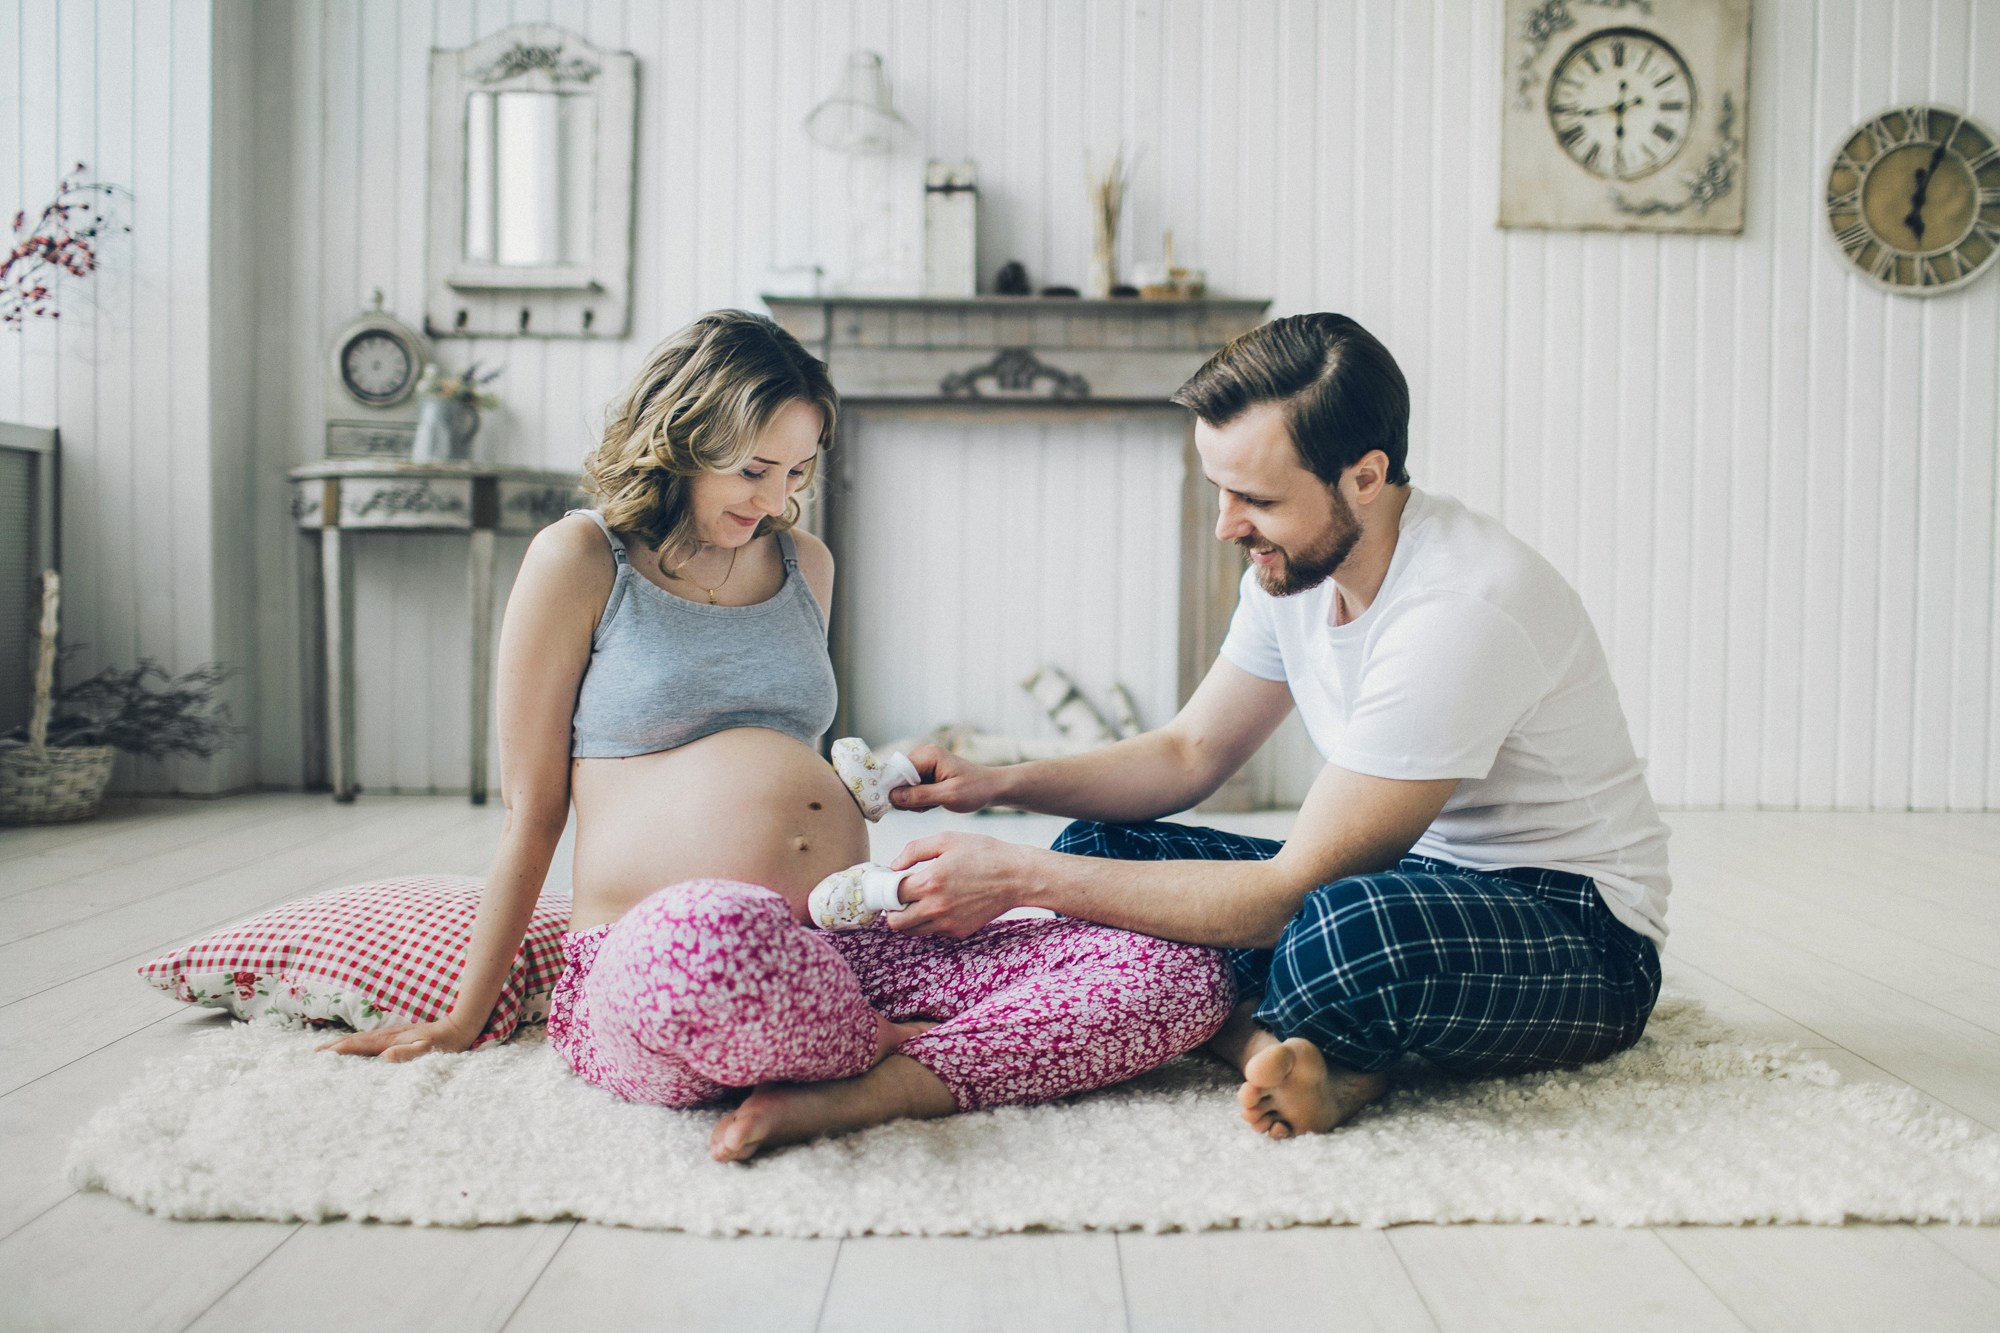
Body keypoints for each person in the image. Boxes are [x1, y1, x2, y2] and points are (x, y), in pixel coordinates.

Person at [323, 310, 1233, 1161]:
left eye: (796, 473)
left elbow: (787, 748)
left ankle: (869, 1084)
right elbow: (532, 812)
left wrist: (880, 781)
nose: (774, 498)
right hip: (664, 958)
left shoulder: (807, 565)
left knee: (1176, 972)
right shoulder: (579, 558)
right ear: (681, 436)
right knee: (710, 930)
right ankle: (874, 1052)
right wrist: (461, 1017)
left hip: (842, 948)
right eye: (754, 469)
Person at [883, 312, 1669, 1141]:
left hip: (1578, 928)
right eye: (1220, 489)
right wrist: (999, 783)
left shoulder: (1463, 605)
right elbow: (1188, 753)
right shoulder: (1291, 568)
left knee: (1340, 931)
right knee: (1099, 846)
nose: (1227, 525)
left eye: (1256, 498)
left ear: (1364, 476)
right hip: (1412, 874)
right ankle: (1286, 1045)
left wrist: (1016, 878)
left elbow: (1287, 895)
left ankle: (1242, 1023)